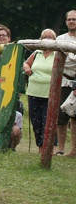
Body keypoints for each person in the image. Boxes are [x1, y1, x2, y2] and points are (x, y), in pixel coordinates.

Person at [23, 28, 57, 152]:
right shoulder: (36, 53)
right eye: (45, 37)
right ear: (40, 40)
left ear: (55, 40)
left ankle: (48, 150)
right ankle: (40, 148)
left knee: (48, 121)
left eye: (50, 37)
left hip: (50, 93)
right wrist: (27, 68)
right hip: (33, 92)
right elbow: (26, 63)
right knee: (36, 121)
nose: (47, 40)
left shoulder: (58, 53)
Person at [56, 11, 76, 157]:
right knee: (61, 116)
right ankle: (60, 148)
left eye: (74, 19)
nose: (72, 21)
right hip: (64, 80)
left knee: (75, 117)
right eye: (69, 19)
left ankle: (74, 150)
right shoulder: (61, 39)